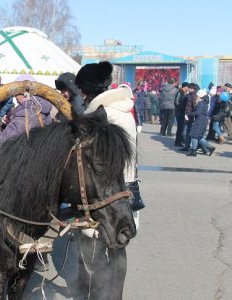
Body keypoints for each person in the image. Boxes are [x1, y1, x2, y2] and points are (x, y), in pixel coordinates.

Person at [75, 61, 142, 299]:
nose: (80, 94)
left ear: (88, 90)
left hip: (107, 192)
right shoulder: (124, 109)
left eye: (81, 89)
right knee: (118, 246)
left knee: (96, 247)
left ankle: (97, 294)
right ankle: (114, 295)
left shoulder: (102, 115)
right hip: (127, 187)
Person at [0, 74, 53, 147]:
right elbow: (25, 129)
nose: (15, 97)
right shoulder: (40, 106)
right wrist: (12, 122)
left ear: (24, 94)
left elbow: (3, 139)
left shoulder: (29, 112)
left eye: (16, 94)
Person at [186, 90, 215, 156]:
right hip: (203, 120)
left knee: (194, 135)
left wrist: (189, 114)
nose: (196, 97)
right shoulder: (205, 102)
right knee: (198, 136)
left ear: (200, 96)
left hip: (200, 121)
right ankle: (210, 148)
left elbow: (197, 113)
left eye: (197, 95)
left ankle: (193, 151)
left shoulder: (201, 103)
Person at [174, 82, 189, 146]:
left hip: (181, 113)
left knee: (182, 127)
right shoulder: (180, 92)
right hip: (179, 113)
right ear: (185, 87)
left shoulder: (183, 93)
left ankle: (181, 140)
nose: (188, 89)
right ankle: (178, 142)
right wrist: (183, 107)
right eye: (187, 87)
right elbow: (176, 102)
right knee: (180, 128)